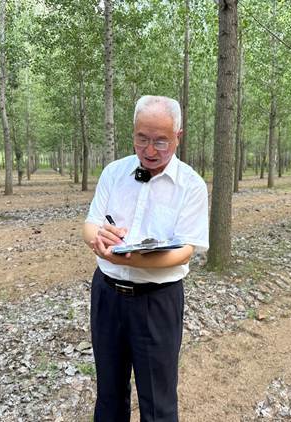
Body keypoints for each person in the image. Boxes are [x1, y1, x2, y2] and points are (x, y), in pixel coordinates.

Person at [83, 95, 209, 422]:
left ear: (178, 137)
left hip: (157, 302)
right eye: (142, 139)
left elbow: (185, 251)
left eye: (160, 141)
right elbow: (91, 224)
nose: (150, 150)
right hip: (107, 296)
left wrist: (130, 261)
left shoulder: (191, 186)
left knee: (158, 403)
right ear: (133, 133)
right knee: (109, 395)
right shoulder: (114, 173)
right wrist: (99, 239)